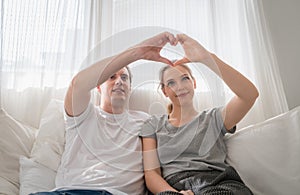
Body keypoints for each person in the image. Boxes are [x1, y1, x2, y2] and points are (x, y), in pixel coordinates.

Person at [30, 32, 178, 195]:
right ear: (99, 86)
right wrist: (138, 52)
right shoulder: (83, 114)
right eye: (111, 77)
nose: (119, 81)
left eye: (124, 77)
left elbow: (154, 171)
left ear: (130, 87)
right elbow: (77, 85)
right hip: (71, 191)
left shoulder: (144, 120)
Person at [140, 34, 259, 195]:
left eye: (184, 79)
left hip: (218, 183)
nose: (180, 87)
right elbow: (151, 174)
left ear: (194, 83)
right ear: (164, 91)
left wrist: (208, 58)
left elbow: (249, 95)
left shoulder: (213, 118)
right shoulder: (153, 125)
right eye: (171, 83)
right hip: (173, 187)